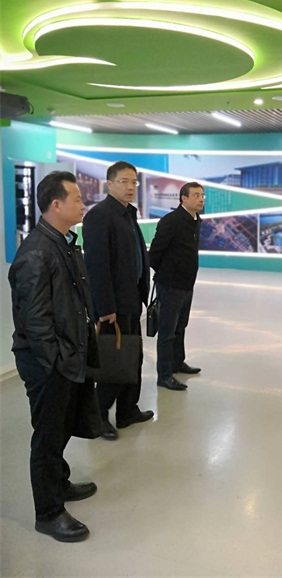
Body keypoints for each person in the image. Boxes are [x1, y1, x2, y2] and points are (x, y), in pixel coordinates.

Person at [9, 171, 99, 542]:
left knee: (61, 427)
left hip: (66, 356)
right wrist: (58, 361)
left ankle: (59, 483)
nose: (83, 204)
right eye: (77, 199)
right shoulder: (36, 253)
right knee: (47, 438)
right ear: (56, 205)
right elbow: (35, 322)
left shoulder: (62, 243)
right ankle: (48, 513)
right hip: (48, 363)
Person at [82, 161, 153, 440]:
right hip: (114, 305)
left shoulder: (128, 214)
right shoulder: (99, 216)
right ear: (109, 184)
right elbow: (97, 266)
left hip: (131, 298)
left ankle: (127, 410)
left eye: (134, 182)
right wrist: (105, 307)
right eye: (124, 181)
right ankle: (99, 416)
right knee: (114, 361)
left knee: (132, 357)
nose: (130, 187)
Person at [149, 182, 205, 391]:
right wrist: (167, 273)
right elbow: (155, 254)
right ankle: (164, 375)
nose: (201, 199)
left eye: (202, 195)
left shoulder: (196, 220)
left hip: (187, 284)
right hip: (170, 285)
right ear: (183, 198)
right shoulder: (171, 221)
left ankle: (177, 362)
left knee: (181, 326)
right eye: (196, 195)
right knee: (167, 331)